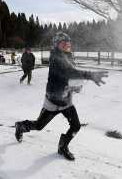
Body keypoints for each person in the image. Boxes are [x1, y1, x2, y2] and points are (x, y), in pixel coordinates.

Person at [15, 32, 108, 161]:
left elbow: (71, 76)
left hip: (66, 101)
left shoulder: (68, 57)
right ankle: (21, 126)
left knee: (76, 126)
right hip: (53, 101)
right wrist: (89, 75)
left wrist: (76, 85)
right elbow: (69, 72)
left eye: (68, 43)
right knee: (39, 126)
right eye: (63, 43)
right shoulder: (55, 58)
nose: (66, 45)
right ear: (56, 45)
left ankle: (62, 147)